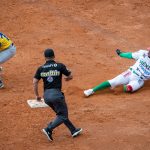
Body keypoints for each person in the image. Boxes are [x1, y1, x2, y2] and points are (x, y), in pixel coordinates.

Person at [33, 48, 82, 141]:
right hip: (56, 95)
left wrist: (37, 95)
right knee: (63, 115)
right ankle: (48, 129)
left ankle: (73, 130)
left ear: (45, 57)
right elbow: (70, 75)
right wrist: (68, 77)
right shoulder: (59, 66)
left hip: (46, 96)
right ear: (54, 56)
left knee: (60, 113)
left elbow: (34, 82)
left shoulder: (40, 68)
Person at [84, 48, 150, 97]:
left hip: (138, 80)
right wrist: (121, 54)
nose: (148, 52)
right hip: (130, 73)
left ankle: (121, 86)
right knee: (113, 81)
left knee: (128, 88)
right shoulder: (143, 53)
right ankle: (92, 90)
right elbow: (131, 55)